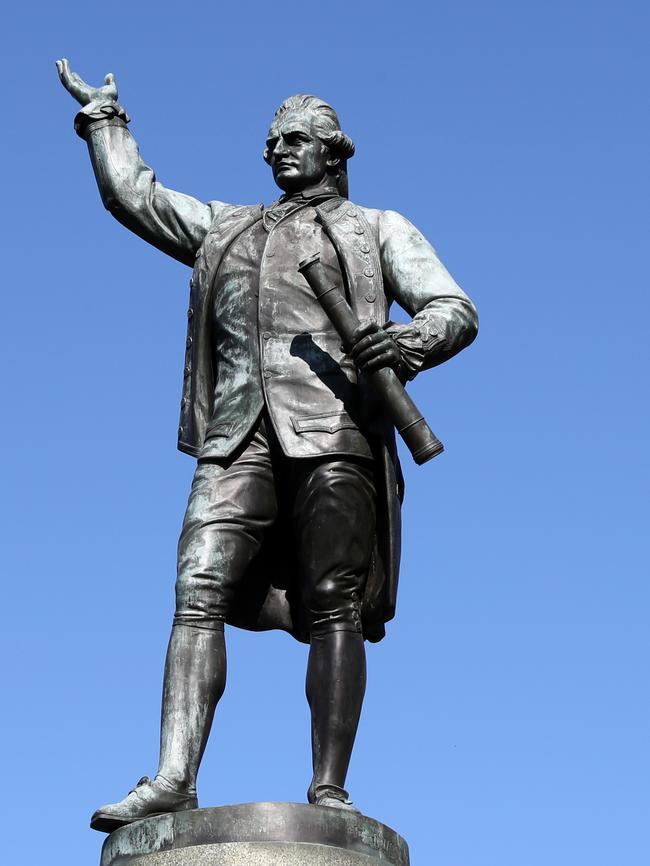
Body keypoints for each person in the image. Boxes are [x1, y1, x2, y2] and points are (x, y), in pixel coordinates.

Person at [56, 59, 478, 832]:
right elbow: (135, 197)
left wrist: (408, 342)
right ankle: (172, 777)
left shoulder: (379, 228)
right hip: (237, 434)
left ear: (334, 152)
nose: (278, 151)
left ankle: (328, 789)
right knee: (197, 587)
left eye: (295, 139)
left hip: (335, 432)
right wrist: (105, 121)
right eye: (271, 142)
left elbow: (454, 307)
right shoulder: (228, 226)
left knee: (334, 605)